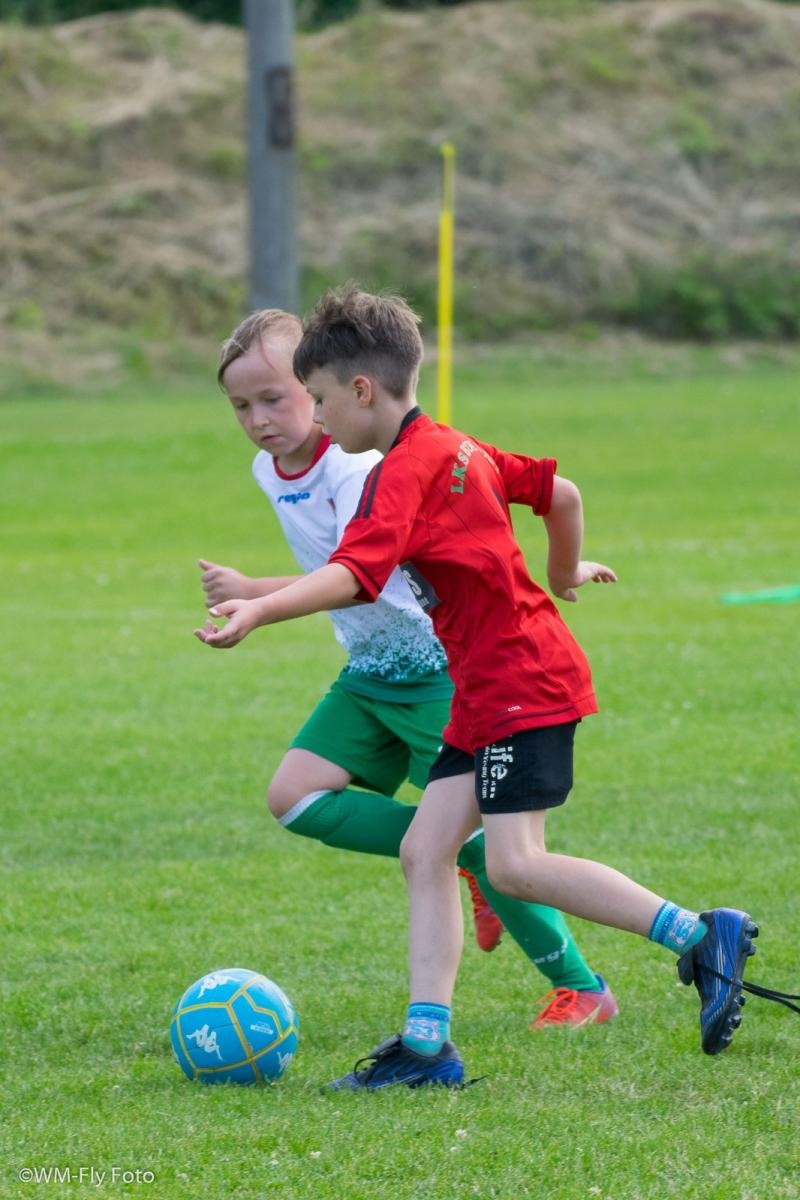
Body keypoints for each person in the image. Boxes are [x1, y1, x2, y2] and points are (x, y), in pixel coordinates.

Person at [196, 289, 758, 1088]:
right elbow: (559, 493)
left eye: (318, 399)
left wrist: (258, 607)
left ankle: (702, 936)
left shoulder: (400, 474)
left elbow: (357, 577)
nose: (316, 418)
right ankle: (427, 1048)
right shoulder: (456, 446)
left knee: (516, 866)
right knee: (428, 850)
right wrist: (563, 573)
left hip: (520, 684)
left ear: (362, 391)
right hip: (482, 690)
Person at [199, 307, 618, 1031]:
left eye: (277, 398)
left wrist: (260, 603)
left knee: (504, 855)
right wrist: (255, 589)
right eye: (242, 406)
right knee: (294, 797)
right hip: (368, 672)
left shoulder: (364, 466)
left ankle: (582, 987)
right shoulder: (268, 470)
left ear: (328, 390)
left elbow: (362, 574)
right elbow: (337, 569)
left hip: (432, 672)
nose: (259, 419)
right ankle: (460, 851)